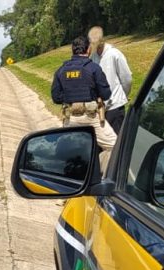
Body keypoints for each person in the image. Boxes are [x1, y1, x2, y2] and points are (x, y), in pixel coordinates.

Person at [51, 36, 117, 167]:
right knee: (115, 146)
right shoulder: (93, 68)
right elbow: (106, 94)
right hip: (91, 118)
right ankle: (102, 175)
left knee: (69, 152)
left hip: (70, 120)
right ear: (88, 49)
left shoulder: (61, 70)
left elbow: (56, 97)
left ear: (72, 50)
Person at [88, 26, 132, 134]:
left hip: (115, 106)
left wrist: (122, 96)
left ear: (101, 41)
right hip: (100, 108)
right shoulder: (93, 57)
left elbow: (127, 79)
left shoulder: (114, 54)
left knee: (117, 141)